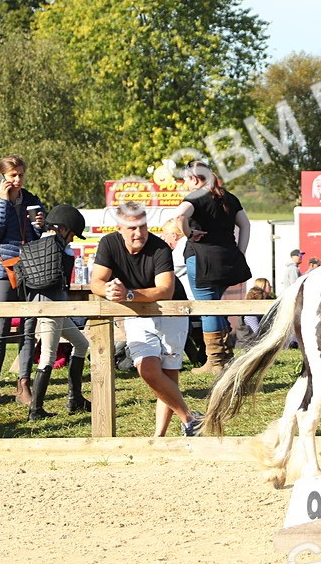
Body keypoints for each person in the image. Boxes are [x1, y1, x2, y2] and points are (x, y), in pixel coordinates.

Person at [91, 202, 202, 437]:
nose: (139, 233)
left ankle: (159, 436)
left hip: (170, 312)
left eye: (142, 226)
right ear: (119, 228)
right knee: (148, 371)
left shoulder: (160, 247)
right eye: (132, 228)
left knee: (168, 375)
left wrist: (129, 294)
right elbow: (96, 282)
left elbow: (165, 290)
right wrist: (108, 290)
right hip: (137, 314)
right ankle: (190, 419)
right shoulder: (108, 244)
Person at [0, 155, 45, 408]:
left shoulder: (31, 199)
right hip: (2, 270)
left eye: (21, 175)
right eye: (12, 175)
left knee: (29, 328)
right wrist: (3, 201)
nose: (18, 180)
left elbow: (36, 236)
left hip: (29, 268)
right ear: (1, 177)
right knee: (0, 329)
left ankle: (23, 384)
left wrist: (39, 224)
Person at [172, 160, 251, 375]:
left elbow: (179, 216)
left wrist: (189, 233)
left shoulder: (195, 197)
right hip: (227, 260)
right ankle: (226, 357)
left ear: (195, 179)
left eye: (186, 180)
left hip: (202, 260)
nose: (185, 184)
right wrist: (240, 252)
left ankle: (215, 361)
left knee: (207, 308)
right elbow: (245, 224)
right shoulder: (228, 197)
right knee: (216, 305)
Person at [25, 205, 92, 421]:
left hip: (52, 307)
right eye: (72, 235)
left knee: (81, 343)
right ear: (62, 229)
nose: (72, 241)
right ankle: (35, 410)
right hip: (52, 307)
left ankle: (75, 399)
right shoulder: (59, 248)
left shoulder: (40, 244)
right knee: (48, 356)